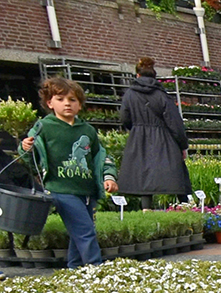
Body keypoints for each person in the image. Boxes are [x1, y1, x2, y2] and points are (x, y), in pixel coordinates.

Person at [19, 77, 117, 268]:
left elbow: (101, 156)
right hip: (60, 189)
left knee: (78, 232)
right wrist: (25, 149)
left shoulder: (87, 130)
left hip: (86, 191)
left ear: (80, 105)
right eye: (61, 99)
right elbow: (32, 163)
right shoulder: (44, 127)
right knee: (85, 230)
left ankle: (75, 269)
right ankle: (95, 270)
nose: (67, 104)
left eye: (73, 100)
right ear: (50, 103)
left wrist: (109, 176)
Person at [117, 56, 190, 208]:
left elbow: (124, 118)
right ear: (154, 76)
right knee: (177, 175)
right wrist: (182, 145)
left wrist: (136, 128)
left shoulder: (129, 94)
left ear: (137, 75)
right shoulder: (162, 95)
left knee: (144, 175)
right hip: (164, 138)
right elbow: (175, 122)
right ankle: (186, 209)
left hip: (138, 137)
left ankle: (146, 211)